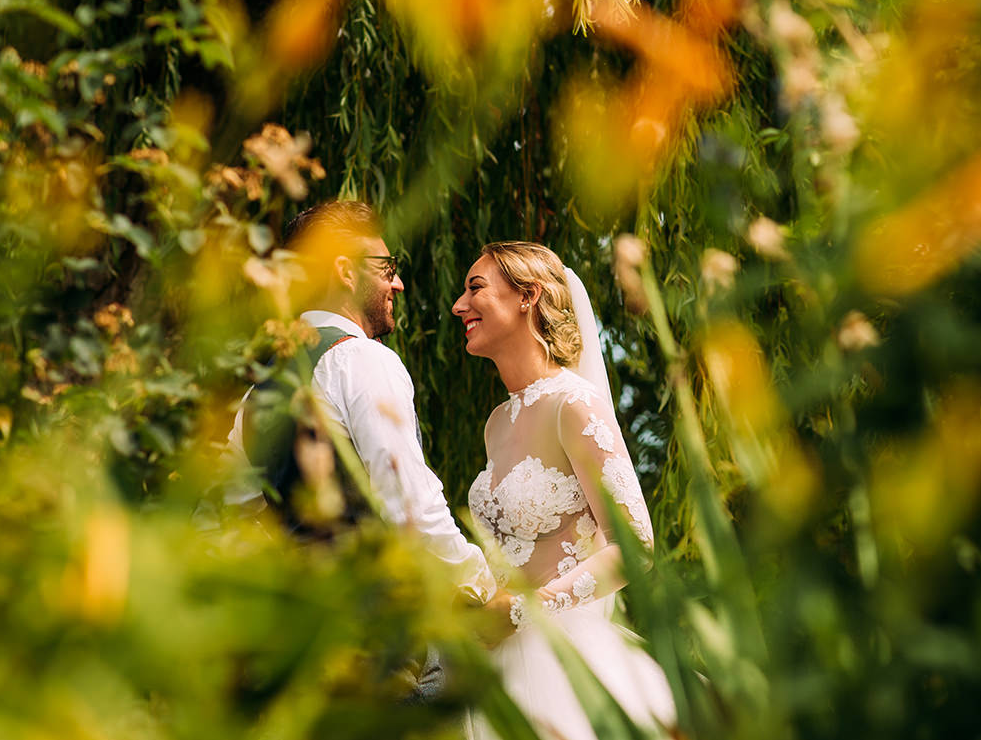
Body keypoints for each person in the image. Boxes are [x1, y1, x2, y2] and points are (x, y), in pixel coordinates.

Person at [451, 241, 676, 740]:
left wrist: (517, 610)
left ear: (527, 296)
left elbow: (634, 547)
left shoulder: (575, 405)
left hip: (560, 656)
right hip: (494, 663)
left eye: (475, 288)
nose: (458, 306)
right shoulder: (496, 423)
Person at [236, 199, 495, 608]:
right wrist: (481, 583)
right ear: (345, 272)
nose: (398, 284)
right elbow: (410, 505)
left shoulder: (258, 388)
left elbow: (228, 516)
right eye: (386, 269)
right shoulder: (362, 359)